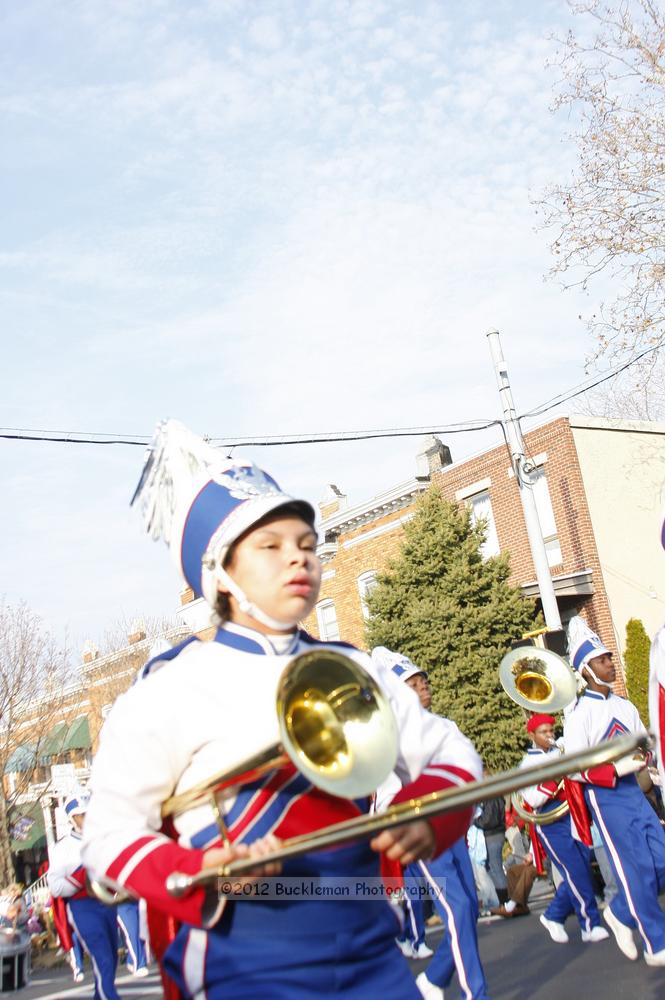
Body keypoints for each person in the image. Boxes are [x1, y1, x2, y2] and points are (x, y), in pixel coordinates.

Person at [81, 420, 483, 1000]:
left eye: (306, 545)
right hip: (245, 965)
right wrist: (206, 870)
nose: (298, 560)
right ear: (219, 575)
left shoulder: (354, 667)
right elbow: (109, 834)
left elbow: (449, 751)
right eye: (270, 547)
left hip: (372, 948)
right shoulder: (167, 689)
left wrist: (429, 812)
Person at [373, 648, 490, 1000]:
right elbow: (383, 794)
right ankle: (475, 993)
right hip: (421, 833)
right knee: (457, 908)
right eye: (413, 683)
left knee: (468, 907)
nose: (423, 686)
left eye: (423, 680)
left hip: (453, 830)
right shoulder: (386, 738)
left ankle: (436, 977)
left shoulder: (444, 726)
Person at [565, 614, 665, 966]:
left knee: (662, 861)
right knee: (634, 868)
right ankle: (657, 942)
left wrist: (650, 756)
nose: (610, 664)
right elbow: (574, 768)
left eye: (609, 657)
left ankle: (621, 913)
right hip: (608, 799)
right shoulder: (579, 714)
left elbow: (645, 740)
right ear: (586, 670)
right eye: (601, 660)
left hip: (637, 794)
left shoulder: (623, 705)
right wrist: (612, 770)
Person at [517, 712, 608, 945]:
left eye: (551, 731)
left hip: (573, 815)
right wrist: (556, 777)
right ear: (532, 735)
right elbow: (533, 799)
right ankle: (590, 924)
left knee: (582, 870)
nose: (550, 735)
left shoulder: (560, 752)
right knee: (575, 871)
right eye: (544, 732)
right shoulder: (527, 764)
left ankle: (553, 915)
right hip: (550, 822)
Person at [47, 791, 121, 999]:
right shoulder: (62, 848)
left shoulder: (103, 840)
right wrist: (81, 877)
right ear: (72, 819)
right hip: (83, 908)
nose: (86, 819)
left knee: (111, 958)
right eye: (81, 815)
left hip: (107, 902)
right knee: (103, 958)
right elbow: (55, 887)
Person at [117, 899, 149, 977]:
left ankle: (131, 960)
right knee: (133, 930)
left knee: (142, 930)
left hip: (138, 898)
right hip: (121, 901)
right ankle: (139, 965)